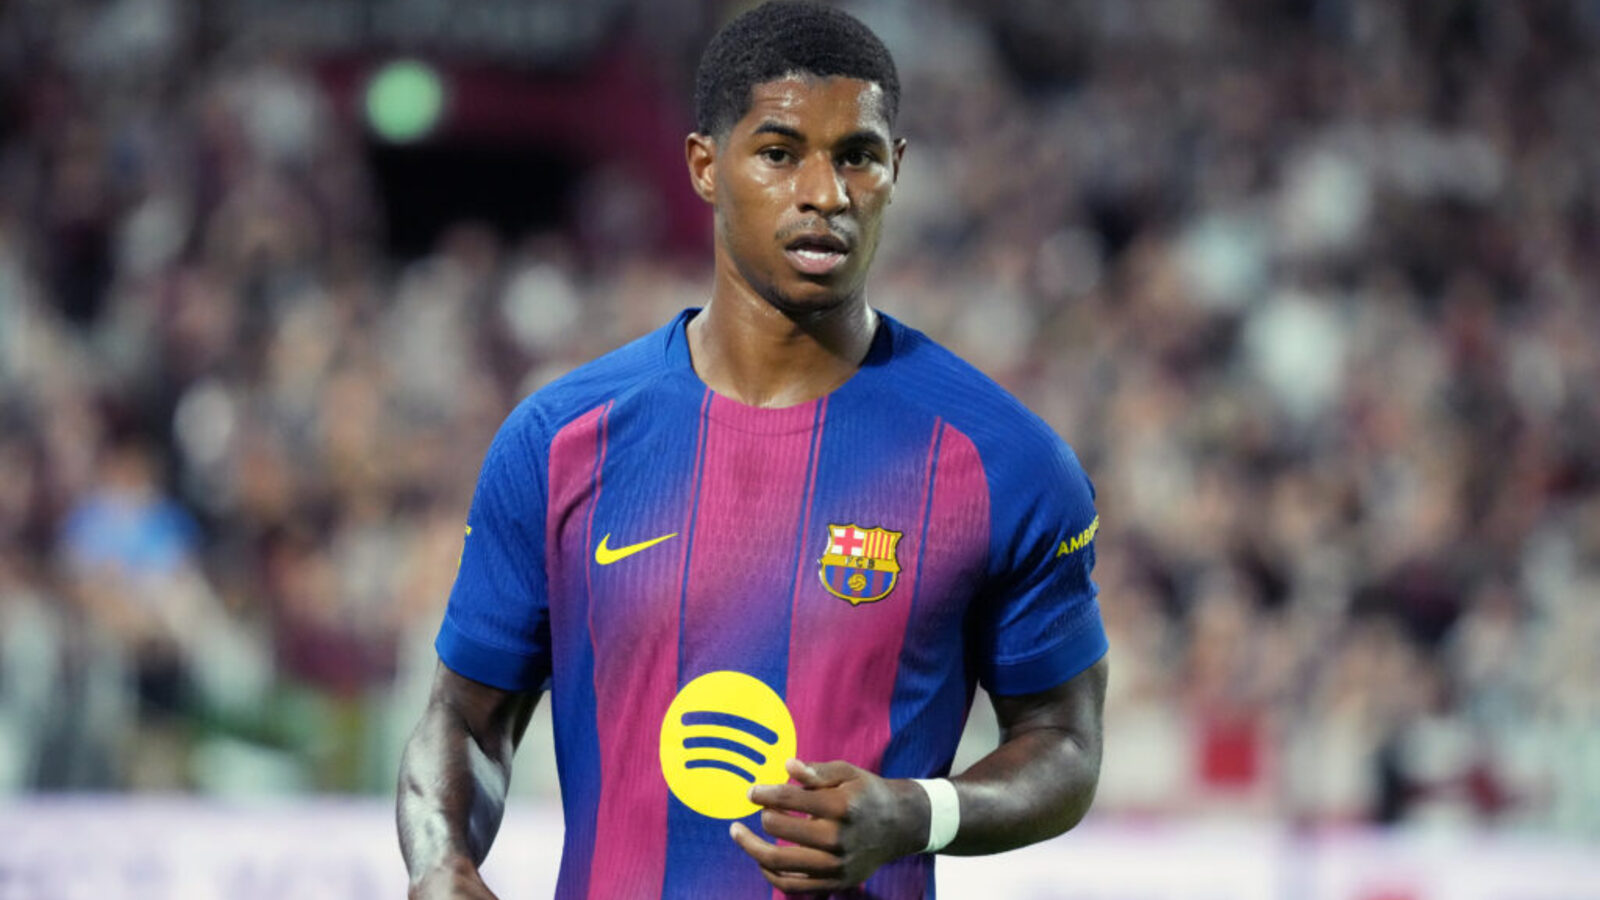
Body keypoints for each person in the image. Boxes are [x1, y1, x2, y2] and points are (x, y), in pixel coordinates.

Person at [396, 2, 1108, 897]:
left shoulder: (1007, 463)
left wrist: (918, 813)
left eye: (858, 156)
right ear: (705, 165)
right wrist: (441, 863)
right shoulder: (558, 442)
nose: (826, 193)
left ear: (896, 170)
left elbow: (1065, 741)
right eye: (779, 153)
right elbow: (464, 720)